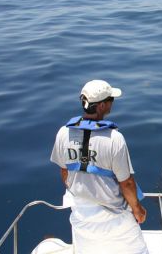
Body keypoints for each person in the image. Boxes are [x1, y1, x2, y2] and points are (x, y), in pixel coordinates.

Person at [50, 79, 149, 254]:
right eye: (111, 99)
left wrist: (83, 194)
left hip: (81, 215)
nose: (112, 103)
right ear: (102, 105)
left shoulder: (63, 133)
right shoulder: (115, 139)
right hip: (115, 218)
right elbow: (126, 183)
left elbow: (64, 172)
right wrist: (137, 209)